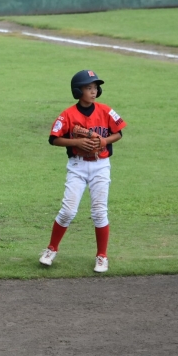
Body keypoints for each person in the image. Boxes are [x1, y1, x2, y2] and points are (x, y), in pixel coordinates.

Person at [39, 70, 126, 273]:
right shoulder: (67, 114)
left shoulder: (106, 111)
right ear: (78, 91)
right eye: (89, 88)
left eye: (95, 88)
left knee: (99, 212)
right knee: (68, 211)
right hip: (77, 166)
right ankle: (51, 249)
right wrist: (76, 142)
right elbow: (53, 139)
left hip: (101, 166)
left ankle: (102, 256)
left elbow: (119, 133)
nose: (93, 91)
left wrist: (104, 141)